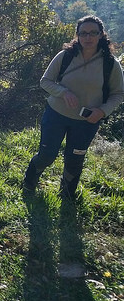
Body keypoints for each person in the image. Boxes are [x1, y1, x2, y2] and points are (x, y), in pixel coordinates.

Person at [23, 15, 124, 199]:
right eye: (83, 33)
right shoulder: (66, 56)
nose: (88, 37)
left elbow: (119, 94)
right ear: (77, 36)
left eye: (93, 33)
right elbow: (45, 81)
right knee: (47, 155)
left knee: (75, 160)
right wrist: (63, 92)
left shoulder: (110, 64)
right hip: (56, 115)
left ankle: (67, 197)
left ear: (101, 35)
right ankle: (29, 183)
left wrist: (102, 111)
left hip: (86, 122)